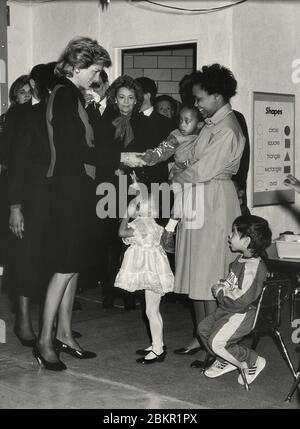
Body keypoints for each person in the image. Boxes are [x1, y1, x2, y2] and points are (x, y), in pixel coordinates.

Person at [35, 37, 112, 371]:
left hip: (75, 188)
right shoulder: (65, 95)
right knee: (64, 266)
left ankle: (65, 334)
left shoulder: (70, 94)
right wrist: (123, 156)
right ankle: (43, 341)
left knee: (73, 264)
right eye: (94, 70)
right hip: (67, 189)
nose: (96, 77)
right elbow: (75, 150)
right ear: (79, 66)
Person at [172, 64, 245, 355]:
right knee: (199, 273)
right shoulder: (212, 125)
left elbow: (203, 168)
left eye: (200, 98)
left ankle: (215, 342)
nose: (196, 105)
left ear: (217, 96)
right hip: (200, 196)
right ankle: (203, 336)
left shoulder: (227, 129)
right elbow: (189, 154)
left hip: (214, 199)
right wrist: (177, 154)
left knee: (211, 273)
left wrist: (177, 176)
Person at [7, 63, 58, 347]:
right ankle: (23, 319)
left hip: (57, 199)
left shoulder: (64, 115)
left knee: (50, 261)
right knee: (26, 258)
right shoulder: (25, 115)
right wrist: (15, 207)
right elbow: (15, 164)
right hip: (29, 199)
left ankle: (52, 325)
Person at [198, 215, 272, 385]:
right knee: (203, 329)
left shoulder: (253, 267)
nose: (229, 236)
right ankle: (228, 358)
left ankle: (253, 360)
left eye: (233, 232)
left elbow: (242, 299)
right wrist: (224, 285)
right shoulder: (240, 259)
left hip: (241, 314)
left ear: (246, 241)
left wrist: (220, 293)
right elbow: (234, 284)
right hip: (228, 310)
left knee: (216, 342)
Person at [95, 74, 145, 309]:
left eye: (130, 98)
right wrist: (116, 168)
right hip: (108, 186)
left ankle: (128, 292)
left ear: (137, 100)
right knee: (108, 240)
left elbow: (146, 154)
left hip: (133, 187)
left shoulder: (142, 123)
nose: (126, 102)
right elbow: (99, 154)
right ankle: (108, 290)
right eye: (121, 97)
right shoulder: (105, 121)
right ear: (114, 98)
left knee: (131, 238)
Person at [114, 183, 174, 363]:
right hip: (156, 269)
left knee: (151, 311)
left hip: (149, 271)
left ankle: (158, 349)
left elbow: (121, 231)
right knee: (153, 309)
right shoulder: (154, 224)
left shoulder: (140, 224)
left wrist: (125, 213)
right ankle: (158, 343)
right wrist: (137, 185)